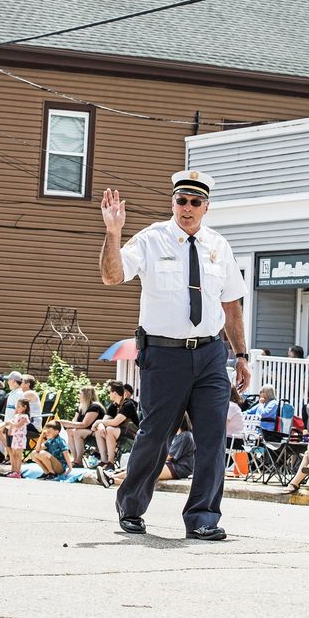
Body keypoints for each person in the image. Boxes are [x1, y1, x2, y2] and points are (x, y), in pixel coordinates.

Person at [99, 170, 250, 540]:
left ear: (206, 207)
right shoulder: (152, 239)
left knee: (213, 437)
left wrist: (241, 355)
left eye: (195, 202)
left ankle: (203, 517)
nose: (187, 208)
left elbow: (231, 306)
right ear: (173, 203)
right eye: (181, 200)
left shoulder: (219, 246)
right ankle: (131, 506)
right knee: (155, 436)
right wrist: (113, 233)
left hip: (211, 354)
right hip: (165, 356)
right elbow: (111, 276)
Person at [97, 415, 196, 488]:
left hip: (179, 467)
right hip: (170, 464)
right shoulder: (174, 435)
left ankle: (110, 477)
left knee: (145, 471)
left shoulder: (185, 436)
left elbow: (169, 456)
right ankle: (111, 479)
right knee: (142, 470)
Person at [93, 381, 140, 472]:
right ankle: (104, 461)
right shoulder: (113, 406)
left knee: (110, 430)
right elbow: (105, 420)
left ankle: (111, 463)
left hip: (133, 434)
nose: (108, 394)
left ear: (114, 393)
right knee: (99, 431)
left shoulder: (128, 405)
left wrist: (99, 422)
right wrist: (101, 425)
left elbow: (115, 422)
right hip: (120, 433)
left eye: (109, 392)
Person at [60, 386, 104, 468]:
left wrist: (65, 422)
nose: (78, 396)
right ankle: (75, 458)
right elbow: (74, 421)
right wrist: (68, 425)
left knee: (77, 432)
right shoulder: (81, 406)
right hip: (86, 432)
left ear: (86, 395)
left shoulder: (94, 407)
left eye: (80, 394)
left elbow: (85, 424)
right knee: (70, 431)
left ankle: (78, 460)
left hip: (96, 432)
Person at [4, 398, 31, 479]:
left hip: (20, 437)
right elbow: (12, 426)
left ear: (24, 407)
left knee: (18, 455)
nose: (17, 408)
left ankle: (18, 472)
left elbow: (18, 425)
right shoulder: (16, 416)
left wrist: (10, 423)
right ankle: (15, 470)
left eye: (19, 406)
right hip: (15, 437)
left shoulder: (24, 416)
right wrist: (9, 431)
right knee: (14, 454)